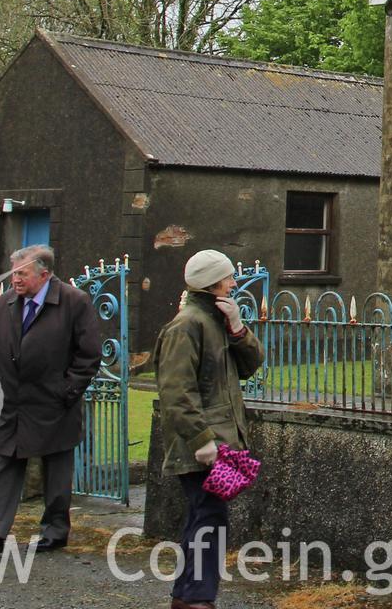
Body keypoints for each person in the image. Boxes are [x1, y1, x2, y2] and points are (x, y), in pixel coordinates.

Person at [0, 244, 101, 553]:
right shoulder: (6, 302)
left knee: (56, 470)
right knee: (5, 465)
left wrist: (66, 391)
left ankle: (55, 531)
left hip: (54, 402)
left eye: (22, 274)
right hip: (13, 401)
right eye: (13, 272)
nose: (15, 279)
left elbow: (89, 355)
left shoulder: (74, 302)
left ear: (44, 274)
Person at [154, 249, 262, 609]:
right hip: (202, 443)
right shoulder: (186, 326)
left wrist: (238, 329)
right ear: (213, 282)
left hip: (220, 441)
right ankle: (196, 598)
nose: (234, 283)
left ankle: (189, 597)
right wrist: (202, 441)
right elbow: (175, 392)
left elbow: (250, 367)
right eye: (228, 278)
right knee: (209, 519)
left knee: (206, 517)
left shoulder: (215, 320)